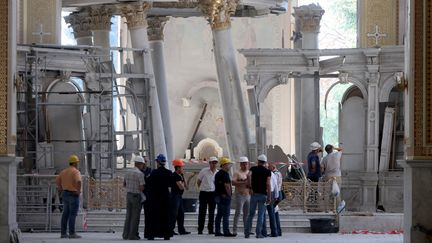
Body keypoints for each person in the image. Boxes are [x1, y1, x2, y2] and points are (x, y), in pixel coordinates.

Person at [145, 154, 172, 240]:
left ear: (158, 162)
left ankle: (152, 234)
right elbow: (170, 184)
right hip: (165, 197)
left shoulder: (154, 173)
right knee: (165, 216)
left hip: (155, 198)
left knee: (154, 216)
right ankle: (166, 235)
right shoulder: (169, 173)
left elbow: (148, 183)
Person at [244, 154, 271, 239]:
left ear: (258, 161)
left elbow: (248, 175)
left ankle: (247, 233)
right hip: (263, 195)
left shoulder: (253, 169)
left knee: (251, 214)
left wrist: (250, 187)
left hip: (254, 194)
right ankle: (258, 234)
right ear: (265, 162)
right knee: (260, 215)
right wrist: (269, 196)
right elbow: (268, 184)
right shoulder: (267, 171)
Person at [56, 154, 82, 239]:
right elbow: (78, 181)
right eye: (77, 163)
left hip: (65, 194)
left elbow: (58, 181)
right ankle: (72, 233)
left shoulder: (63, 171)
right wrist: (78, 191)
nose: (78, 164)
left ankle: (63, 233)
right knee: (72, 214)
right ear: (75, 163)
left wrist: (61, 190)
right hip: (73, 194)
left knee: (65, 214)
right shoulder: (76, 171)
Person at [122, 155, 145, 240]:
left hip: (129, 195)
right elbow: (142, 187)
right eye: (142, 164)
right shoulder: (140, 174)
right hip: (136, 196)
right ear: (139, 164)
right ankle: (132, 235)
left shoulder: (127, 172)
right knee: (135, 217)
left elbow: (124, 184)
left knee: (128, 215)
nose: (143, 166)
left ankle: (125, 234)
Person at [214, 157, 236, 237]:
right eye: (228, 165)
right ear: (224, 165)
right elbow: (227, 186)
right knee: (226, 215)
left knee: (219, 214)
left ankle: (217, 231)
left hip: (218, 196)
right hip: (225, 196)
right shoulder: (225, 174)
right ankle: (226, 232)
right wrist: (230, 195)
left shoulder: (218, 173)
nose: (229, 166)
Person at [197, 156, 218, 235]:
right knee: (202, 212)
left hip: (213, 193)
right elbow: (198, 181)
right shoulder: (204, 171)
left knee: (211, 212)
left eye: (215, 163)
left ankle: (210, 229)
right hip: (204, 193)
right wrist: (202, 188)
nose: (214, 164)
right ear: (209, 163)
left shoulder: (218, 172)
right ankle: (200, 229)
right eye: (212, 163)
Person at [170, 159, 191, 236]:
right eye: (182, 167)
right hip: (175, 196)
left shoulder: (180, 175)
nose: (183, 169)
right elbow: (181, 187)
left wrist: (183, 177)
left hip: (179, 196)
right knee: (174, 214)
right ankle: (170, 229)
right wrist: (182, 183)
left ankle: (181, 229)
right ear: (178, 168)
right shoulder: (175, 175)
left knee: (181, 214)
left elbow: (186, 187)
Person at [232, 156, 251, 236]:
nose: (245, 166)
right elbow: (233, 182)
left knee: (246, 214)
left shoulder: (249, 173)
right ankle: (234, 230)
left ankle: (246, 230)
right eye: (243, 164)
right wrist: (243, 183)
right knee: (238, 212)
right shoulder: (237, 173)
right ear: (240, 165)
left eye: (246, 164)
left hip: (248, 195)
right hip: (240, 194)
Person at [321, 144, 344, 210]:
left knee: (327, 194)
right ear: (332, 149)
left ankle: (326, 210)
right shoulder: (336, 155)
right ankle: (338, 210)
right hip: (337, 177)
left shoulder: (324, 159)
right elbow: (341, 149)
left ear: (326, 151)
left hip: (328, 177)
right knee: (337, 193)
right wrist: (334, 148)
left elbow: (322, 170)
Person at [262, 163, 279, 237]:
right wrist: (276, 196)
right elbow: (276, 185)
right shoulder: (272, 174)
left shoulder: (263, 174)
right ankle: (274, 232)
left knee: (263, 213)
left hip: (264, 193)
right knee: (271, 213)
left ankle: (264, 232)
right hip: (271, 194)